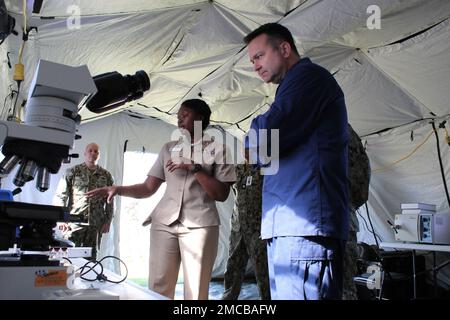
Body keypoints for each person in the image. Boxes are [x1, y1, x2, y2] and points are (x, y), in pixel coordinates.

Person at [85, 99, 236, 300]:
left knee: (197, 290)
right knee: (158, 287)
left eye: (185, 115)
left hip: (201, 226)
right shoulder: (168, 149)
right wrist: (118, 189)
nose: (179, 119)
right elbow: (148, 188)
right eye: (178, 115)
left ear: (200, 118)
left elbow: (221, 194)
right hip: (164, 224)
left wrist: (194, 168)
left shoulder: (219, 150)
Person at [244, 23, 349, 299]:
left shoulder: (310, 78)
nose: (255, 66)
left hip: (305, 229)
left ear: (285, 48)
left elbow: (265, 137)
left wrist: (254, 134)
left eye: (259, 56)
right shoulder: (290, 88)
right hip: (288, 227)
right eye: (251, 60)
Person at [56, 143, 114, 261]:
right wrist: (60, 219)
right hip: (74, 223)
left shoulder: (106, 175)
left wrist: (108, 221)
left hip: (96, 223)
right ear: (85, 153)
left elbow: (110, 200)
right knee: (69, 256)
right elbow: (61, 196)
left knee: (91, 258)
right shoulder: (73, 172)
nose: (93, 153)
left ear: (99, 155)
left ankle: (89, 279)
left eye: (96, 151)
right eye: (90, 151)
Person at [222, 163, 271, 300]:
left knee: (263, 269)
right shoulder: (236, 169)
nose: (247, 149)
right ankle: (228, 299)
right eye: (245, 145)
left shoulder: (266, 169)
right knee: (233, 266)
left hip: (258, 227)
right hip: (238, 227)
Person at [343, 124, 371, 300]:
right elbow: (362, 176)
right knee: (344, 287)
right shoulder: (346, 130)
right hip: (343, 219)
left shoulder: (291, 123)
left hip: (306, 227)